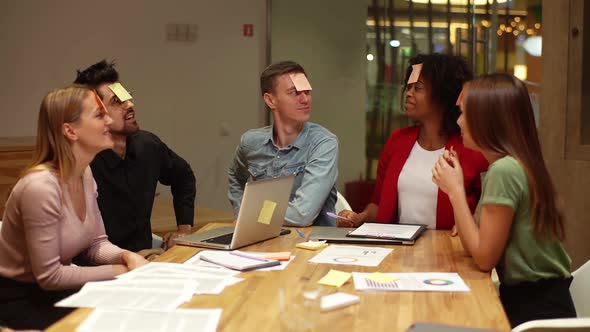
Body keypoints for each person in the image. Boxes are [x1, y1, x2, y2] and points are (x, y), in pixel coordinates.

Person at [432, 73, 576, 327]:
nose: (459, 122)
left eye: (465, 113)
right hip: (543, 302)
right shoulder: (514, 165)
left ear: (487, 120)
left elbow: (484, 257)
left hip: (535, 313)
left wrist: (455, 191)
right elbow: (476, 242)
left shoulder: (504, 171)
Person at [0, 85, 148, 330]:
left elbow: (96, 243)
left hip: (55, 292)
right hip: (18, 299)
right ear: (70, 130)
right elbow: (50, 277)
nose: (110, 120)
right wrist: (122, 270)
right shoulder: (40, 187)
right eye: (99, 115)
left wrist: (127, 256)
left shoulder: (85, 173)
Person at [338, 53, 488, 230]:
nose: (408, 94)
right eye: (408, 87)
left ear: (442, 94)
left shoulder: (471, 148)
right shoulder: (397, 140)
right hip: (398, 248)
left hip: (448, 249)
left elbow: (483, 213)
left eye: (418, 88)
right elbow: (378, 204)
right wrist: (359, 217)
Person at [74, 60, 196, 251]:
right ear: (96, 114)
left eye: (127, 96)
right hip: (100, 263)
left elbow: (184, 176)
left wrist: (184, 229)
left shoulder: (148, 145)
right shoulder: (83, 162)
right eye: (117, 101)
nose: (130, 104)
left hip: (146, 255)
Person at [228, 61, 338, 227]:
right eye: (294, 93)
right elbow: (235, 176)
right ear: (270, 100)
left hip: (311, 244)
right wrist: (240, 210)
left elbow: (302, 215)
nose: (305, 99)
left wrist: (250, 214)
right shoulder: (251, 142)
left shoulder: (323, 143)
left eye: (307, 92)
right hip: (261, 239)